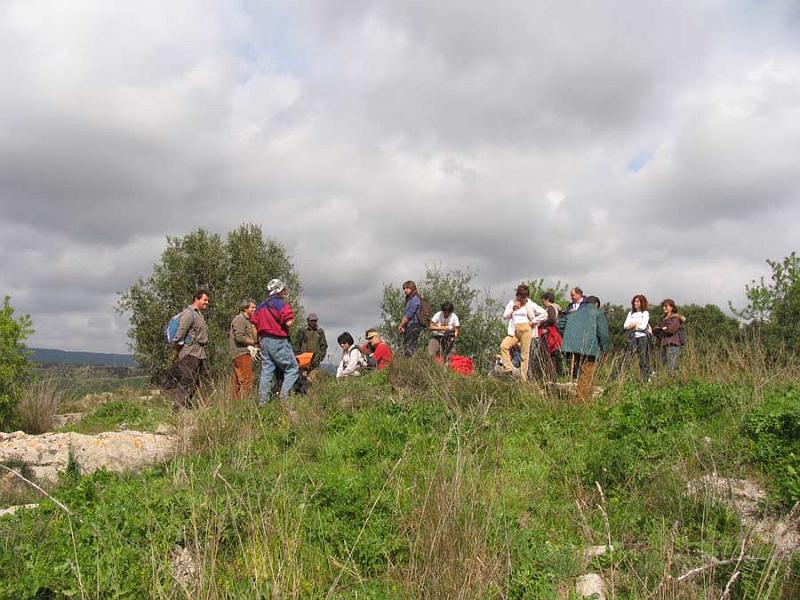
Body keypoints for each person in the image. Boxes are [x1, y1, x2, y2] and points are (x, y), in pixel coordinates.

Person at [252, 278, 299, 406]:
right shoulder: (281, 304)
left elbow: (254, 325)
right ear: (279, 291)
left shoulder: (260, 306)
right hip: (278, 340)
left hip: (264, 342)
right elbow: (289, 322)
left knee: (266, 372)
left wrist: (257, 343)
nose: (285, 292)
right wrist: (290, 320)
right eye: (284, 289)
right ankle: (284, 399)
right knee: (292, 368)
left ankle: (263, 403)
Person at [558, 295, 609, 402]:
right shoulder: (598, 313)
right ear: (596, 305)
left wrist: (570, 337)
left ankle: (583, 397)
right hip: (590, 347)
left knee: (580, 373)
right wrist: (605, 350)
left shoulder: (573, 313)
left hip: (573, 348)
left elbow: (560, 325)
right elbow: (603, 334)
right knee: (587, 374)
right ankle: (579, 401)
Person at [170, 289, 210, 408]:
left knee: (195, 382)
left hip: (199, 353)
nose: (207, 302)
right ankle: (177, 407)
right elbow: (180, 334)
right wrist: (177, 352)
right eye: (205, 300)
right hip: (190, 353)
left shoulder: (198, 314)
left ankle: (186, 405)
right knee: (187, 380)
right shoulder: (189, 313)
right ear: (197, 299)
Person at [500, 284, 547, 382]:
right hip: (514, 330)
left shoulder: (530, 304)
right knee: (504, 346)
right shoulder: (512, 303)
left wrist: (533, 321)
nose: (523, 299)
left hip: (526, 329)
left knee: (524, 355)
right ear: (518, 295)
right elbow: (505, 316)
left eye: (525, 297)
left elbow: (544, 314)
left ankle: (523, 379)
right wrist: (513, 309)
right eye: (521, 296)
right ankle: (508, 368)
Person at [229, 298, 258, 400]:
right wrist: (254, 342)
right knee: (246, 382)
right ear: (245, 308)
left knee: (236, 383)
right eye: (252, 307)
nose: (255, 309)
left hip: (243, 353)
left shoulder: (248, 321)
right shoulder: (240, 319)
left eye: (255, 307)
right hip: (242, 353)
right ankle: (244, 405)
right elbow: (239, 337)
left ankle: (236, 406)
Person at [623, 294, 652, 382]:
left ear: (642, 303)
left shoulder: (645, 313)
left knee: (643, 358)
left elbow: (643, 326)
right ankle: (625, 377)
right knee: (628, 357)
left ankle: (645, 378)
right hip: (632, 337)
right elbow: (625, 326)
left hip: (642, 337)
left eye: (637, 301)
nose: (635, 303)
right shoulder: (630, 313)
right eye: (634, 301)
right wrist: (634, 325)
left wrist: (634, 325)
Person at [536, 291, 562, 382]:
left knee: (547, 355)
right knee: (551, 356)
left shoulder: (550, 308)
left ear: (547, 299)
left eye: (543, 300)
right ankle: (551, 377)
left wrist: (541, 323)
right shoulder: (555, 308)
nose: (543, 302)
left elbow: (551, 319)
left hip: (548, 334)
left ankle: (549, 377)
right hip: (551, 333)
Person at [653, 299, 684, 370]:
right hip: (661, 344)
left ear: (672, 307)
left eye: (666, 306)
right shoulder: (662, 319)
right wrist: (661, 329)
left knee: (671, 367)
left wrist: (661, 329)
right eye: (663, 306)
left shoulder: (675, 318)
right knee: (659, 366)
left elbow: (671, 329)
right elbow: (655, 330)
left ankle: (672, 380)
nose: (664, 308)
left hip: (672, 344)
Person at [398, 280, 423, 356]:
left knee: (410, 347)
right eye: (404, 289)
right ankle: (409, 364)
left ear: (412, 288)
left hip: (414, 325)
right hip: (409, 325)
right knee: (407, 347)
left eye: (407, 288)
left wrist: (401, 325)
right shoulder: (409, 299)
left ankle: (411, 365)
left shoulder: (415, 299)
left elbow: (409, 315)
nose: (405, 290)